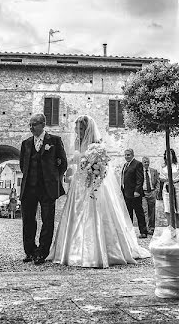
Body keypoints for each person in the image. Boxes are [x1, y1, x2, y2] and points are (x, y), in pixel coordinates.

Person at [48, 115, 150, 267]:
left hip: (95, 182)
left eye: (80, 129)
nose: (78, 132)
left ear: (87, 129)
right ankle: (74, 249)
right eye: (77, 128)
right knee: (76, 213)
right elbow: (76, 160)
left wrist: (94, 170)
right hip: (79, 182)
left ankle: (102, 250)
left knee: (97, 212)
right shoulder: (77, 141)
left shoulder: (97, 144)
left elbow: (103, 164)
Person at [18, 113, 68, 265]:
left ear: (42, 125)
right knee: (28, 220)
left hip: (47, 188)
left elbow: (63, 163)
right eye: (30, 125)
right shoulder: (26, 143)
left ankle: (42, 252)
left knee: (47, 220)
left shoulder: (54, 141)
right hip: (29, 187)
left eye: (34, 124)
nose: (31, 127)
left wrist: (54, 178)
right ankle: (30, 251)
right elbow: (22, 165)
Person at [121, 148, 148, 238]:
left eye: (128, 155)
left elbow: (140, 179)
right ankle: (129, 232)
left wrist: (137, 191)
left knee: (139, 212)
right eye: (125, 155)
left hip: (135, 194)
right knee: (128, 213)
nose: (126, 156)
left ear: (132, 155)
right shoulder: (125, 165)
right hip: (126, 193)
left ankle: (143, 231)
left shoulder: (137, 164)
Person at [159, 148, 179, 227]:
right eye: (166, 154)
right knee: (168, 207)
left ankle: (178, 226)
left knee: (178, 207)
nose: (168, 156)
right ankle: (170, 225)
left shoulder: (177, 166)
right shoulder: (163, 166)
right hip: (167, 188)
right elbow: (161, 177)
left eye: (170, 154)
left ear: (172, 155)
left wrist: (174, 180)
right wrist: (167, 180)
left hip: (176, 187)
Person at [141, 156, 160, 233]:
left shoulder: (154, 171)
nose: (146, 163)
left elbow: (158, 182)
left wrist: (156, 191)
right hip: (143, 193)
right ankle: (145, 228)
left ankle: (151, 228)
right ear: (142, 163)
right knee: (144, 211)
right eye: (145, 162)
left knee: (152, 211)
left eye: (147, 161)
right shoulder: (140, 171)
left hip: (152, 192)